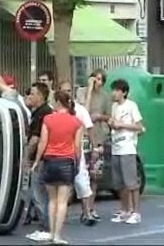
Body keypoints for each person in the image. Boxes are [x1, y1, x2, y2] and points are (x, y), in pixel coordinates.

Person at [32, 90, 82, 244]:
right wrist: (77, 163)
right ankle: (58, 236)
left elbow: (43, 142)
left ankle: (51, 232)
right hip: (67, 162)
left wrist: (36, 161)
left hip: (49, 161)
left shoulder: (48, 119)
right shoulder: (76, 122)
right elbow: (77, 147)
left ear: (58, 102)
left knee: (52, 200)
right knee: (62, 202)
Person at [58, 80, 102, 226]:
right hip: (59, 152)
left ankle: (87, 212)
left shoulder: (80, 110)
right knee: (63, 185)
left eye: (69, 91)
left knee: (82, 181)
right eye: (64, 91)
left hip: (77, 151)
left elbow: (90, 130)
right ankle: (60, 216)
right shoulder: (55, 110)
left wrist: (95, 148)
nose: (67, 94)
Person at [108, 79, 144, 224]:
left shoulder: (131, 106)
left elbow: (139, 126)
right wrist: (112, 124)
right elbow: (113, 123)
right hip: (116, 147)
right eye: (113, 90)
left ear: (124, 92)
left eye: (117, 90)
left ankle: (136, 212)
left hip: (128, 148)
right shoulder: (114, 106)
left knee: (131, 183)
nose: (114, 93)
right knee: (120, 183)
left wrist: (122, 124)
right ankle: (125, 210)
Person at [83, 68, 112, 221]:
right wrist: (88, 90)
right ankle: (84, 208)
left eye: (100, 79)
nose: (97, 82)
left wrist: (100, 116)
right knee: (83, 176)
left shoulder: (106, 97)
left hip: (99, 137)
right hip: (85, 139)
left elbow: (110, 117)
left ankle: (91, 207)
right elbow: (83, 111)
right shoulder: (83, 93)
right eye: (95, 78)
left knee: (95, 176)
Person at [25, 82, 53, 242]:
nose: (30, 96)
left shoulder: (41, 114)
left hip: (40, 159)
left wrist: (26, 157)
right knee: (44, 194)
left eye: (33, 94)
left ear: (41, 96)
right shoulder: (43, 112)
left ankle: (45, 228)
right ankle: (47, 227)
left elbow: (36, 139)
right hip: (46, 158)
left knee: (39, 194)